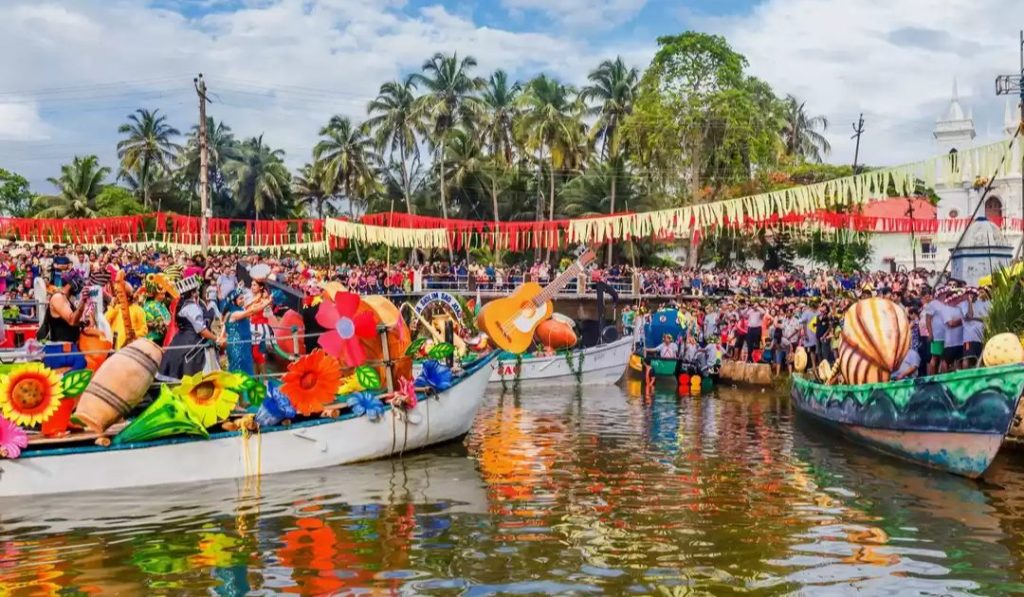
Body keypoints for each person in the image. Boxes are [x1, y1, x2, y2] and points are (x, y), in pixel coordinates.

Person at [159, 278, 224, 380]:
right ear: (193, 293)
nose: (198, 292)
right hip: (193, 341)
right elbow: (202, 331)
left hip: (179, 340)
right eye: (196, 290)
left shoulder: (181, 305)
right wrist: (216, 338)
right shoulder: (192, 308)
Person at [221, 288, 271, 376]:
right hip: (237, 347)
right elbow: (251, 311)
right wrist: (267, 302)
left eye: (243, 298)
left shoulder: (240, 310)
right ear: (233, 301)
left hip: (245, 346)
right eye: (240, 298)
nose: (243, 300)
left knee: (247, 370)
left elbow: (251, 307)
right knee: (239, 372)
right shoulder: (233, 314)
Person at [960, 288, 990, 368]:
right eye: (969, 294)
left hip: (980, 337)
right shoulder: (964, 304)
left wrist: (974, 319)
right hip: (969, 337)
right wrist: (969, 302)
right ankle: (965, 377)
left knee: (979, 359)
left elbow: (986, 319)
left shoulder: (981, 304)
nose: (971, 296)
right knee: (967, 358)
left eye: (973, 294)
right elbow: (970, 315)